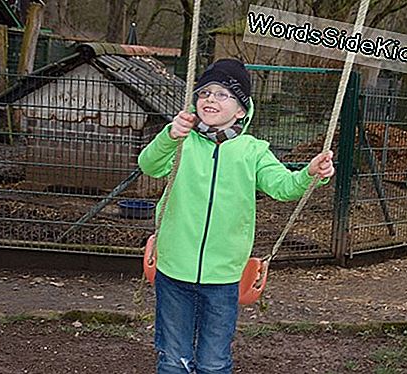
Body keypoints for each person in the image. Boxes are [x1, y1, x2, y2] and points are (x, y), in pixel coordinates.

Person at [138, 59, 334, 374]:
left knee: (213, 363)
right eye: (205, 93)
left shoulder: (252, 151)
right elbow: (149, 165)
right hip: (173, 268)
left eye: (223, 94)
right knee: (174, 359)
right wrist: (169, 136)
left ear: (241, 110)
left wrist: (311, 172)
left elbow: (283, 186)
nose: (211, 99)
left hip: (224, 275)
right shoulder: (181, 140)